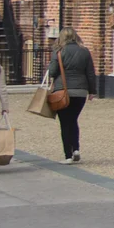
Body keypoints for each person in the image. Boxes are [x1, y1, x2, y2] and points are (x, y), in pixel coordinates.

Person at [48, 27, 96, 162]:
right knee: (73, 120)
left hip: (62, 92)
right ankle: (76, 148)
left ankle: (68, 156)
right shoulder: (84, 51)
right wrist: (92, 91)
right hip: (80, 92)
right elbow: (90, 73)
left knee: (65, 123)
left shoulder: (58, 51)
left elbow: (52, 72)